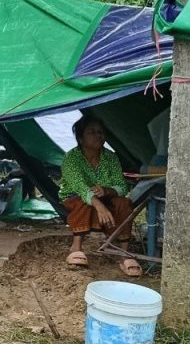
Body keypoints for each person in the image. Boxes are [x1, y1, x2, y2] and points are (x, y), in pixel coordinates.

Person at [58, 115, 142, 277]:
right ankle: (76, 247)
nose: (98, 135)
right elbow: (80, 187)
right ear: (81, 138)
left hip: (105, 197)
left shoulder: (110, 157)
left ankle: (124, 254)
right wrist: (98, 204)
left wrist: (107, 190)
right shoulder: (72, 158)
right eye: (92, 132)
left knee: (123, 203)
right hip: (74, 196)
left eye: (101, 132)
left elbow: (122, 186)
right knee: (83, 203)